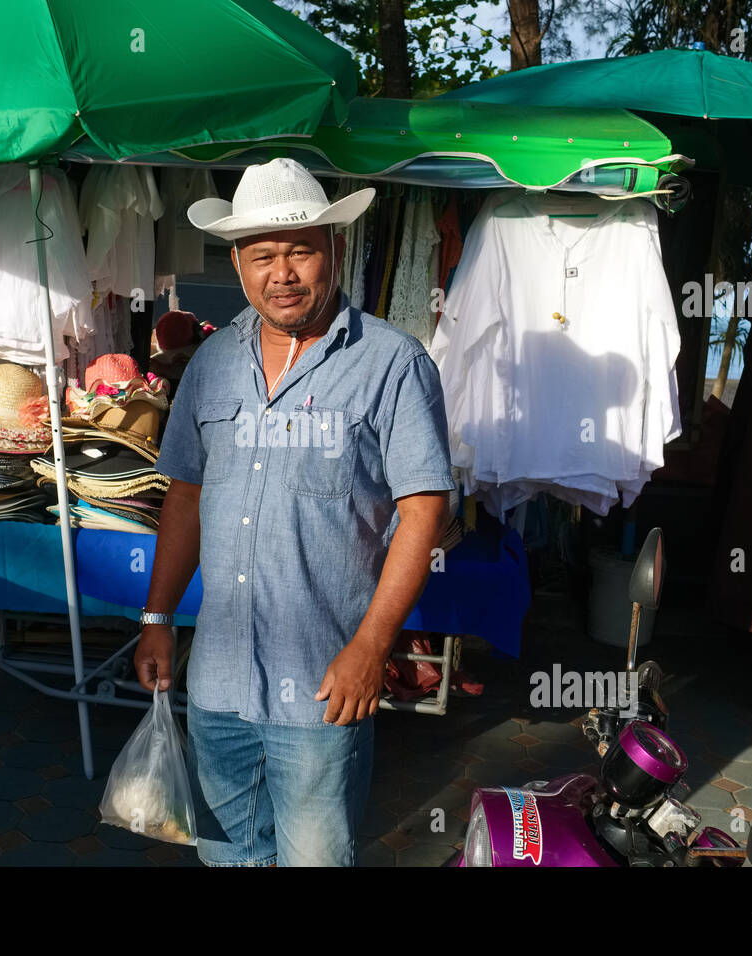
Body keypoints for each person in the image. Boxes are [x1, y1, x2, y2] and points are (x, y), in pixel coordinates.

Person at [133, 158, 454, 867]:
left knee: (314, 858)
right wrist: (157, 619)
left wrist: (371, 648)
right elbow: (186, 493)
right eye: (262, 255)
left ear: (334, 251)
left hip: (323, 685)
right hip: (217, 682)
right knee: (227, 857)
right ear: (239, 264)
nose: (282, 273)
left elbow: (423, 512)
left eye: (300, 250)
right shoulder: (211, 364)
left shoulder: (392, 364)